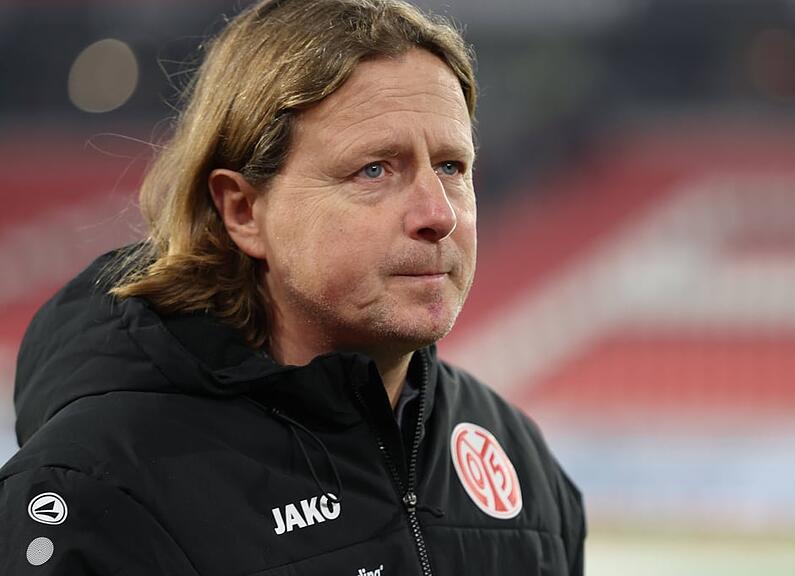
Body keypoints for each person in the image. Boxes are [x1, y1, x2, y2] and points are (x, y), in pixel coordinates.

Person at [0, 0, 586, 574]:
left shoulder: (518, 457)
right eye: (374, 169)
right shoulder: (99, 491)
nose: (439, 214)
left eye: (452, 167)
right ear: (243, 210)